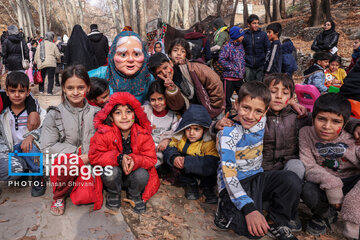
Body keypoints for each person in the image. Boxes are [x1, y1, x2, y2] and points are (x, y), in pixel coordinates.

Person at [214, 81, 301, 240]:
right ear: (236, 104)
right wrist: (249, 209)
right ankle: (225, 210)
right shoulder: (227, 135)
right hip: (233, 183)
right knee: (252, 232)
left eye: (258, 111)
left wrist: (293, 102)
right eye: (245, 108)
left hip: (257, 177)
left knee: (291, 180)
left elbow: (275, 98)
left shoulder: (261, 119)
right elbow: (229, 176)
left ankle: (275, 221)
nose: (250, 116)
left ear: (265, 111)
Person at [40, 65, 101, 216]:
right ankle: (59, 196)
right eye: (70, 88)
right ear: (63, 89)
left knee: (85, 197)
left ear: (88, 88)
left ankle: (74, 183)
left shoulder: (97, 113)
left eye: (80, 87)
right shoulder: (55, 114)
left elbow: (105, 142)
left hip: (89, 162)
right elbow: (47, 146)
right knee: (67, 165)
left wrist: (90, 157)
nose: (75, 92)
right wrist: (77, 153)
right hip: (65, 163)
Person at [299, 93, 360, 239]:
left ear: (345, 124)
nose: (327, 126)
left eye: (335, 121)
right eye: (321, 119)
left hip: (353, 183)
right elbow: (308, 164)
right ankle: (325, 214)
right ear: (313, 117)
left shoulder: (355, 137)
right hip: (325, 182)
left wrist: (353, 200)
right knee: (306, 189)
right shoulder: (306, 133)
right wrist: (331, 183)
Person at [89, 92, 160, 213]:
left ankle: (134, 194)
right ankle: (113, 193)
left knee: (143, 174)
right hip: (113, 176)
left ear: (135, 114)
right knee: (110, 172)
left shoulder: (143, 134)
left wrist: (135, 160)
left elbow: (151, 158)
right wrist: (119, 158)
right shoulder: (104, 133)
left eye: (128, 112)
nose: (124, 117)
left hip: (132, 175)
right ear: (111, 117)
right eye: (118, 113)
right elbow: (94, 156)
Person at [149, 40, 224, 118]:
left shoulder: (193, 68)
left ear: (170, 63)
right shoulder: (162, 85)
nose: (164, 73)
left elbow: (215, 84)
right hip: (190, 117)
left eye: (165, 67)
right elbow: (177, 106)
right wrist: (171, 89)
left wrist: (212, 109)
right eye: (159, 72)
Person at [164, 104, 219, 204]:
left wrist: (187, 162)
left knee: (210, 174)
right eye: (188, 128)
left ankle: (208, 189)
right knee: (173, 168)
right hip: (185, 169)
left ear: (204, 129)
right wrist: (174, 158)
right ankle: (190, 184)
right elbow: (170, 148)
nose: (191, 133)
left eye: (196, 129)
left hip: (202, 171)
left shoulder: (208, 142)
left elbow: (212, 162)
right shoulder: (181, 138)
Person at [0, 72, 43, 189]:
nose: (17, 95)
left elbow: (44, 127)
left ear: (28, 92)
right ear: (7, 92)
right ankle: (23, 170)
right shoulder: (4, 113)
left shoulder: (36, 111)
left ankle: (38, 176)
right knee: (15, 163)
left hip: (29, 146)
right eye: (13, 91)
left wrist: (31, 137)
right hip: (12, 149)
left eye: (21, 91)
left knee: (30, 149)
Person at [88, 31, 154, 104]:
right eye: (123, 55)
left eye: (136, 54)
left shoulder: (148, 78)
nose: (131, 59)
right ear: (113, 55)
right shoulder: (101, 74)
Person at [142, 80, 179, 168]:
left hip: (163, 150)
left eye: (160, 99)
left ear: (166, 98)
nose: (157, 103)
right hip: (147, 148)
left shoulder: (173, 116)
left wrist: (168, 140)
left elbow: (176, 134)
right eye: (153, 100)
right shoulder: (144, 111)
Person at [218, 26, 246, 113]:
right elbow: (221, 59)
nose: (243, 37)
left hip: (239, 77)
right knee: (227, 98)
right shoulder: (227, 47)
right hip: (229, 78)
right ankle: (227, 114)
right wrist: (232, 67)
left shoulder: (241, 46)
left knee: (243, 96)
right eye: (241, 35)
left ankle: (241, 111)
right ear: (236, 36)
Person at [242, 15, 271, 82]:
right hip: (248, 66)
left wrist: (265, 63)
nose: (256, 25)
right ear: (249, 24)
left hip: (260, 65)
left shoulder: (263, 35)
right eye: (254, 23)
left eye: (257, 23)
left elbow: (268, 49)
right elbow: (241, 50)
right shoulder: (244, 35)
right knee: (249, 86)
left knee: (259, 86)